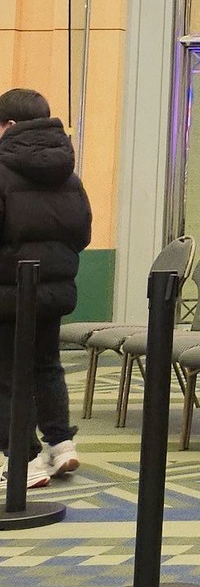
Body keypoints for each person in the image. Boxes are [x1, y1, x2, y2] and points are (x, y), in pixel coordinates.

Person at [0, 91, 92, 489]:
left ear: (9, 126)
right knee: (47, 365)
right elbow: (82, 234)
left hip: (7, 292)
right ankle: (60, 443)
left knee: (6, 375)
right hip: (54, 291)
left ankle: (22, 460)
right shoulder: (68, 174)